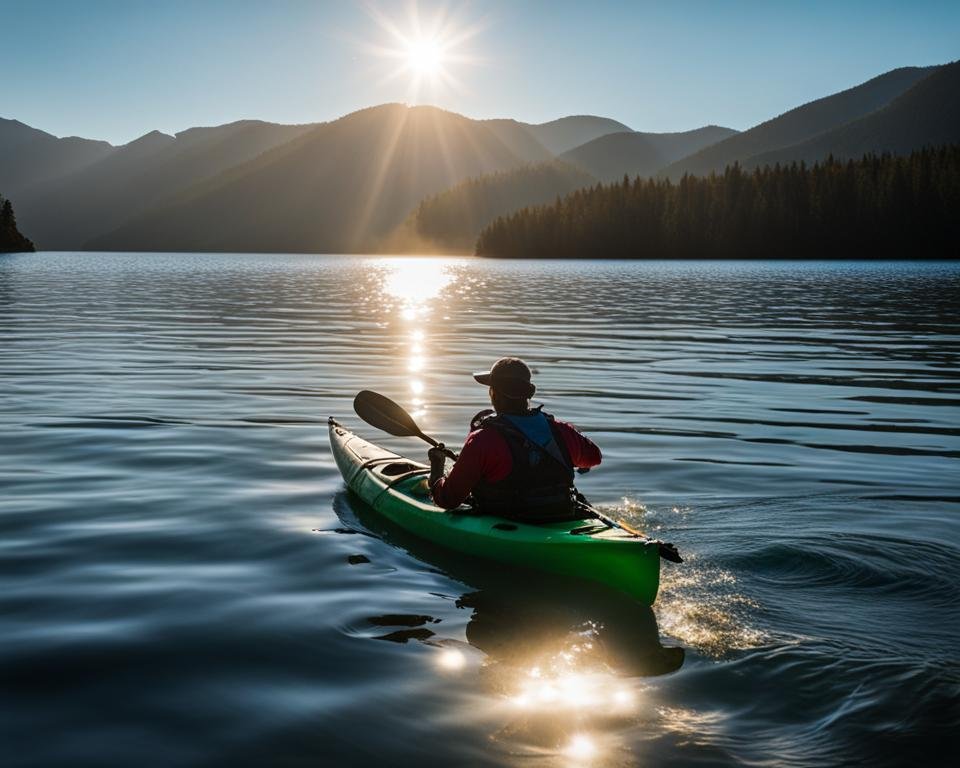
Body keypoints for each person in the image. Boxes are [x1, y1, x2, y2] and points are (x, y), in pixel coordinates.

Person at [428, 357, 602, 521]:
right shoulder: (560, 430)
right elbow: (594, 457)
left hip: (513, 522)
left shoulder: (482, 440)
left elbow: (448, 499)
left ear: (494, 393)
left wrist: (437, 467)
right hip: (561, 514)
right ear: (527, 394)